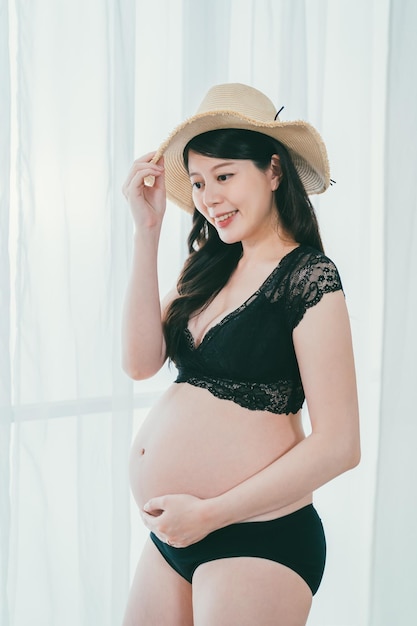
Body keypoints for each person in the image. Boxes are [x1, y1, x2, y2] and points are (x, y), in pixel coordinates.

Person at [121, 83, 360, 626]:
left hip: (257, 537)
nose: (209, 198)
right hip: (174, 537)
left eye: (225, 176)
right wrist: (147, 232)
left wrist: (208, 514)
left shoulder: (308, 278)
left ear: (273, 171)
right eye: (200, 182)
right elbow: (139, 362)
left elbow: (341, 445)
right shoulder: (208, 266)